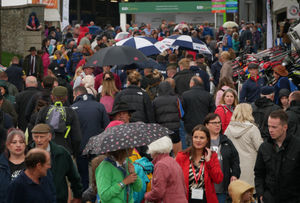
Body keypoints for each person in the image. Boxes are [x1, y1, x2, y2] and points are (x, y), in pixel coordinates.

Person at [254, 110, 300, 203]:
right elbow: (259, 173)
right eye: (269, 126)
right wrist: (261, 194)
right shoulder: (264, 147)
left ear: (285, 127)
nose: (270, 130)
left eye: (274, 127)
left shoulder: (297, 146)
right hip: (269, 198)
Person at [29, 123, 82, 203]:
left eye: (42, 137)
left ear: (49, 137)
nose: (39, 140)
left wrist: (77, 195)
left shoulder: (62, 153)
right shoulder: (28, 153)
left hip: (58, 199)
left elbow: (74, 177)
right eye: (36, 137)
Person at [72, 86, 109, 190]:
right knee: (99, 174)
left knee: (83, 176)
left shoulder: (73, 107)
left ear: (76, 95)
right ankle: (98, 196)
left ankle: (84, 197)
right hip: (97, 146)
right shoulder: (100, 106)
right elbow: (106, 126)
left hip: (80, 147)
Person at [176, 124, 223, 203]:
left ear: (207, 140)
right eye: (195, 137)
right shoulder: (182, 156)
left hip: (206, 198)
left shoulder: (212, 156)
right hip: (186, 198)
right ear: (192, 138)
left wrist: (209, 162)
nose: (198, 140)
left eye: (202, 138)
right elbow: (175, 179)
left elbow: (218, 179)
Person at [35, 86, 82, 157]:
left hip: (46, 150)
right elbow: (77, 137)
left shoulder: (44, 110)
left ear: (52, 97)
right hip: (65, 150)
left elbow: (37, 130)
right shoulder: (71, 112)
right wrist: (74, 152)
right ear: (66, 97)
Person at [204, 113, 240, 203]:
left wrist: (235, 175)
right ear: (207, 125)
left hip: (222, 188)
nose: (217, 125)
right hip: (205, 187)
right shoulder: (202, 141)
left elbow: (235, 160)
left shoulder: (226, 141)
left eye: (219, 122)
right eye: (214, 123)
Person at [225, 103, 263, 187]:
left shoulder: (228, 128)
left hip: (234, 167)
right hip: (250, 166)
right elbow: (260, 148)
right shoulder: (253, 129)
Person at [144, 136, 187, 203]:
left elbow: (158, 192)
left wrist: (146, 196)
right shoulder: (172, 161)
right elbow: (184, 187)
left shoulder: (161, 165)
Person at [182, 76, 215, 146]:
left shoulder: (185, 95)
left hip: (189, 126)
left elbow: (182, 112)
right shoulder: (208, 96)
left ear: (192, 83)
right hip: (204, 126)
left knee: (190, 148)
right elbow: (212, 113)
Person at [153, 81, 182, 156]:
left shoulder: (155, 101)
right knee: (177, 153)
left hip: (162, 130)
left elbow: (153, 116)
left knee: (164, 153)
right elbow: (181, 113)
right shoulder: (176, 99)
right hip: (175, 129)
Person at [0, 130, 26, 203]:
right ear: (8, 145)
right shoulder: (1, 164)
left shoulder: (34, 164)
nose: (18, 145)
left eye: (21, 142)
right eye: (14, 142)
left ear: (25, 144)